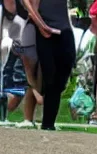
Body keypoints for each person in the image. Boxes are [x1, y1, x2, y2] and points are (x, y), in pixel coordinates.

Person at [22, 0, 75, 130]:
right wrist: (41, 26)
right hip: (43, 30)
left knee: (62, 76)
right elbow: (30, 7)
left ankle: (48, 124)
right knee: (49, 77)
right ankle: (47, 123)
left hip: (64, 30)